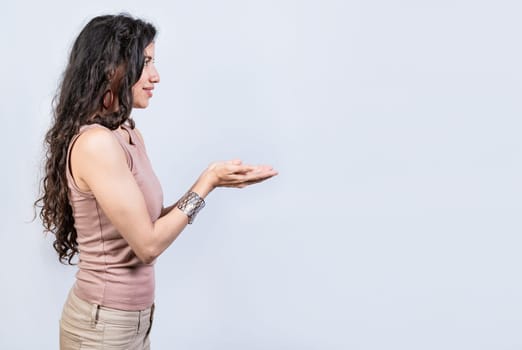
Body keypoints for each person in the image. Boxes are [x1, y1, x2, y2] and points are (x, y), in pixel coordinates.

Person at [35, 14, 277, 349]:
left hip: (136, 321)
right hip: (101, 327)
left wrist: (212, 182)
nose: (155, 76)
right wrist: (206, 183)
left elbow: (148, 225)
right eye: (145, 62)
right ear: (112, 67)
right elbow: (147, 246)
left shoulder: (127, 133)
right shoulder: (95, 144)